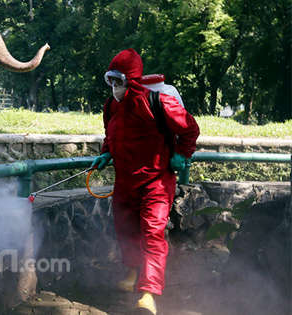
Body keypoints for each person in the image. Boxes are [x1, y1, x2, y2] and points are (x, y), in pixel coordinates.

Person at [91, 48, 200, 315]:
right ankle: (132, 271)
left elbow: (189, 128)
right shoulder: (111, 106)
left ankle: (148, 292)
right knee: (125, 228)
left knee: (152, 234)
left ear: (132, 79)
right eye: (111, 81)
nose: (114, 87)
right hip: (125, 181)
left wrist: (180, 154)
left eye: (119, 80)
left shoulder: (158, 101)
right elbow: (111, 133)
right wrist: (106, 152)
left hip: (156, 181)